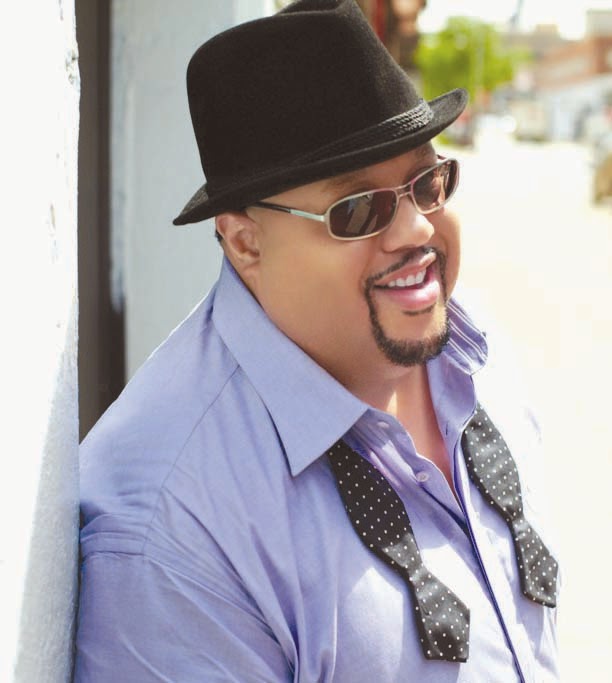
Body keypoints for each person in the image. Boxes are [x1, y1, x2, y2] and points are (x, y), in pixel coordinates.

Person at [74, 1, 560, 681]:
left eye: (427, 183)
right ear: (245, 242)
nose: (418, 229)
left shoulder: (475, 353)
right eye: (357, 210)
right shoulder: (174, 528)